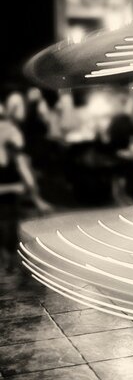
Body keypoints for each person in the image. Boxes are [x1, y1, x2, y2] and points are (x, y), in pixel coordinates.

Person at [0, 100, 51, 272]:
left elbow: (27, 176)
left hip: (8, 202)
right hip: (8, 196)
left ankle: (9, 257)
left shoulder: (13, 152)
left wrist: (38, 200)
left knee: (10, 224)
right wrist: (13, 188)